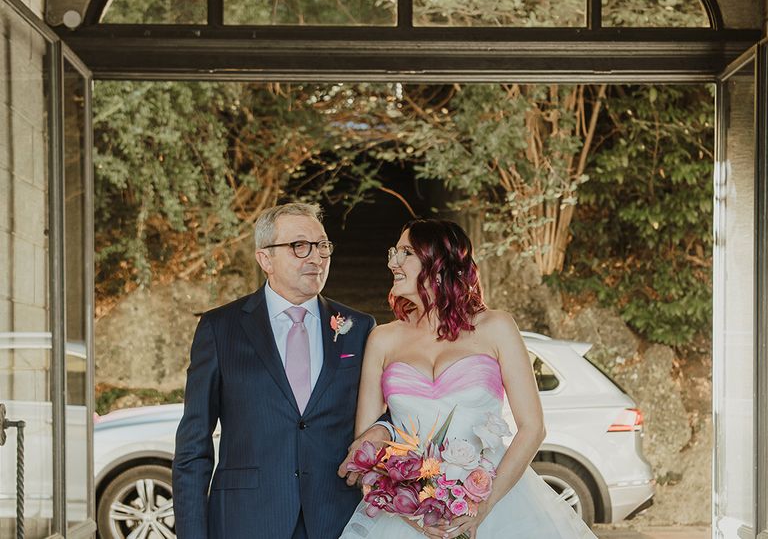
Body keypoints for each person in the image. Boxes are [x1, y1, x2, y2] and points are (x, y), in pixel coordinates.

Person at [339, 218, 597, 539]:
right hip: (405, 516)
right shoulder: (383, 339)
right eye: (395, 252)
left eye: (405, 252)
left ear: (438, 264)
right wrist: (415, 518)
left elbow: (532, 427)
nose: (393, 262)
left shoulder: (496, 327)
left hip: (496, 505)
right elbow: (366, 447)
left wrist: (482, 506)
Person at [172, 202, 390, 539]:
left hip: (336, 520)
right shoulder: (220, 329)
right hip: (245, 522)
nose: (316, 257)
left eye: (322, 246)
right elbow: (193, 447)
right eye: (299, 246)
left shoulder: (359, 328)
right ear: (265, 259)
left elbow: (392, 408)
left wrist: (381, 430)